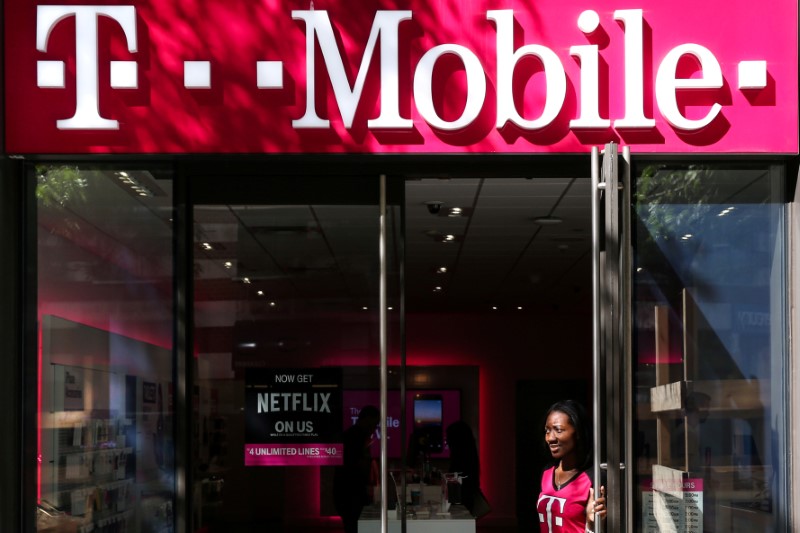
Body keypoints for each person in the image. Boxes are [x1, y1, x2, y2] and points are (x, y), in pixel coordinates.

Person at [537, 400, 606, 533]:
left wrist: (592, 524)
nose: (550, 438)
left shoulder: (594, 477)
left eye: (558, 430)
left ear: (578, 432)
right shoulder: (547, 472)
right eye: (547, 431)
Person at [333, 405, 380, 533]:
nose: (375, 428)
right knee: (354, 526)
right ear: (367, 420)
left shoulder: (351, 435)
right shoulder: (358, 437)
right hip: (351, 494)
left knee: (351, 526)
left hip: (345, 493)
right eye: (374, 424)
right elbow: (357, 466)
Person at [445, 420, 480, 514]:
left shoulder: (460, 456)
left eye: (449, 437)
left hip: (461, 499)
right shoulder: (470, 453)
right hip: (466, 498)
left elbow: (458, 477)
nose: (447, 440)